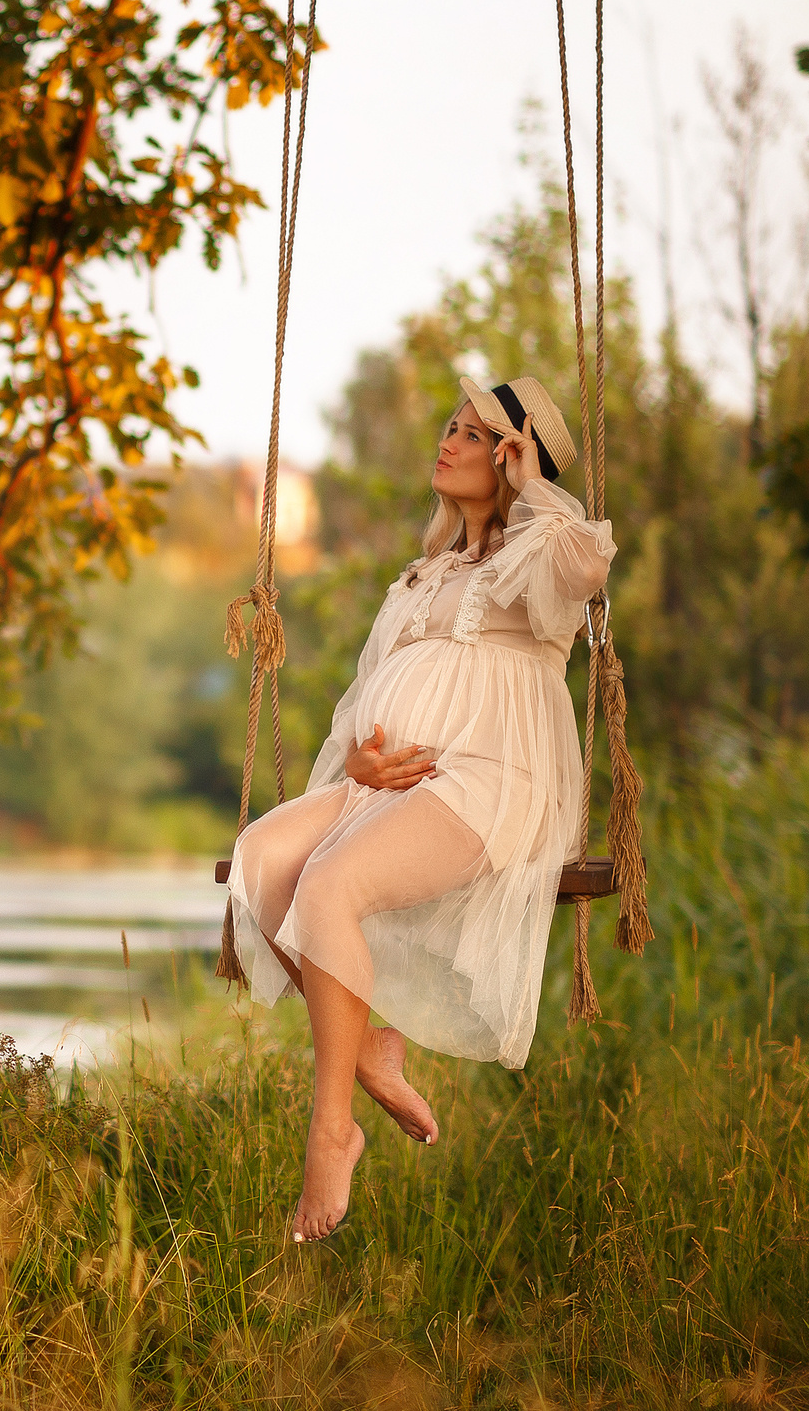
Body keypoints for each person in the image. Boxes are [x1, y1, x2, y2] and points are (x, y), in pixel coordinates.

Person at [222, 375, 617, 1243]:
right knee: (259, 859)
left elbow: (590, 565)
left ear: (516, 460)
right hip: (391, 779)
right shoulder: (426, 570)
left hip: (492, 778)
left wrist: (535, 488)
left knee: (326, 885)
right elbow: (372, 685)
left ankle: (333, 1132)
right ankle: (372, 1049)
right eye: (451, 429)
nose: (450, 442)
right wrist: (359, 754)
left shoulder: (540, 555)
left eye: (478, 437)